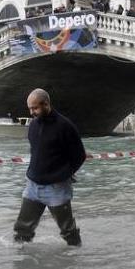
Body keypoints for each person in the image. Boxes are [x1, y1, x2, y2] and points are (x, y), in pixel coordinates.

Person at [13, 89, 86, 246]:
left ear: (46, 104)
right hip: (32, 187)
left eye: (35, 108)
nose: (32, 112)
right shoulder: (32, 125)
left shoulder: (65, 126)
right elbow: (36, 152)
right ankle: (20, 264)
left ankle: (75, 262)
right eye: (30, 108)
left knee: (68, 232)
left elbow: (80, 156)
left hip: (57, 188)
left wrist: (64, 174)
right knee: (22, 230)